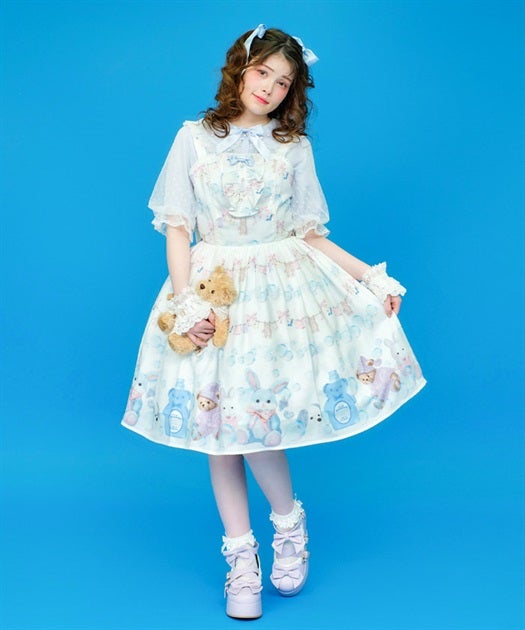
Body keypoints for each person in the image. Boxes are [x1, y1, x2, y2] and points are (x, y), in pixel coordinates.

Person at [122, 24, 426, 620]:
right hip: (213, 290)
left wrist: (370, 279)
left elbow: (309, 234)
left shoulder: (294, 147)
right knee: (216, 426)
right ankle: (241, 558)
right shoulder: (193, 137)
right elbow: (178, 229)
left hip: (275, 295)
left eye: (283, 82)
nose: (269, 87)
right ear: (240, 69)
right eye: (262, 72)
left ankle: (288, 526)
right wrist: (187, 305)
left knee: (256, 425)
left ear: (293, 91)